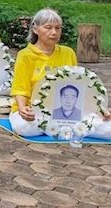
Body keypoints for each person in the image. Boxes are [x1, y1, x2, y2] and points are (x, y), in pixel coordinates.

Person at [9, 9, 111, 137]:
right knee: (24, 128)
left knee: (108, 128)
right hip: (35, 112)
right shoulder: (25, 55)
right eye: (48, 27)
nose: (54, 32)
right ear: (35, 29)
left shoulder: (68, 53)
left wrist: (98, 110)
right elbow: (20, 88)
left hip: (67, 114)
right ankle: (71, 129)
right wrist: (23, 109)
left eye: (58, 28)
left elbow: (78, 86)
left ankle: (63, 127)